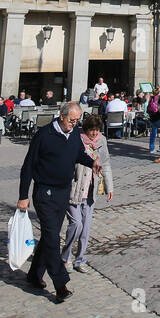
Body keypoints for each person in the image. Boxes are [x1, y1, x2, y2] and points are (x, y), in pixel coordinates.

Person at [18, 102, 97, 302]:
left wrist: (92, 162)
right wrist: (23, 196)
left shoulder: (74, 134)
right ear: (61, 116)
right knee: (52, 237)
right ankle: (60, 284)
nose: (74, 124)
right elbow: (28, 166)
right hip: (45, 192)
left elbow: (78, 154)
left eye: (77, 120)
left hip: (63, 192)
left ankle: (34, 275)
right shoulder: (44, 135)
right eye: (71, 120)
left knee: (48, 236)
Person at [62, 112, 113, 274]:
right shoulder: (76, 139)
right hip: (75, 188)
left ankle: (80, 259)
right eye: (92, 130)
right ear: (86, 129)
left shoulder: (102, 141)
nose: (95, 133)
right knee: (76, 224)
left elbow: (106, 164)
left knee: (86, 228)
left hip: (91, 190)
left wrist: (109, 186)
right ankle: (65, 256)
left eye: (97, 130)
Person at [146, 88, 160, 153]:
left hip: (152, 118)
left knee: (153, 133)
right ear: (159, 92)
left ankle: (151, 148)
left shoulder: (151, 98)